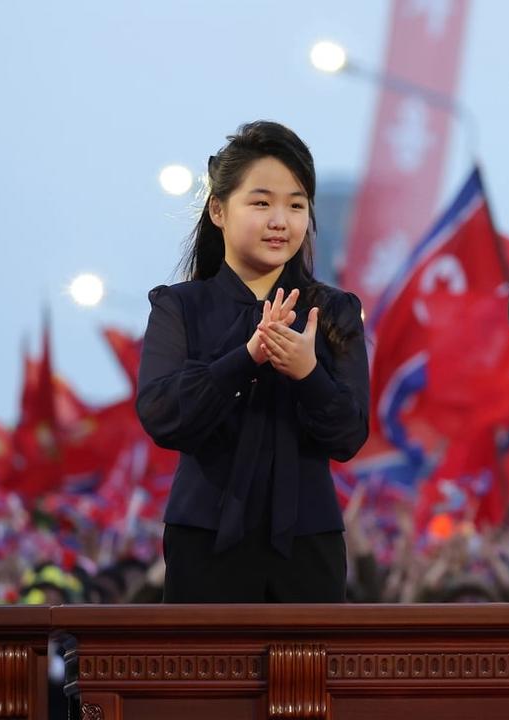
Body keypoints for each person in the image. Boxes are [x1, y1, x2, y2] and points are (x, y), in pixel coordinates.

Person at [136, 121, 369, 603]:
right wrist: (245, 358)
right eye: (261, 203)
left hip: (308, 543)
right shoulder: (180, 307)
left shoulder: (335, 310)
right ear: (218, 210)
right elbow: (162, 415)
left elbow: (349, 435)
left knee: (305, 677)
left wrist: (308, 374)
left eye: (296, 205)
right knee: (205, 677)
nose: (280, 220)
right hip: (204, 538)